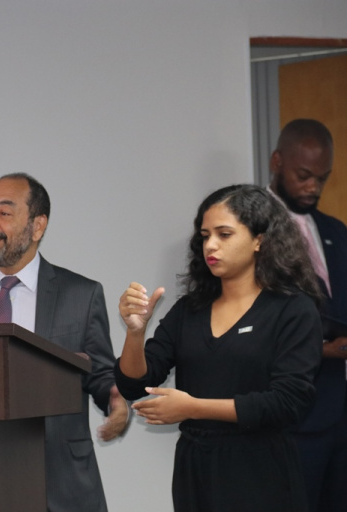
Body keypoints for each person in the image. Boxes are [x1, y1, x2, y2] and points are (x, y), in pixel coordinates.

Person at [115, 184, 323, 512]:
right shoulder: (189, 310)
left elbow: (287, 402)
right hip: (194, 468)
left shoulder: (293, 309)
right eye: (205, 236)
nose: (210, 245)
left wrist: (194, 408)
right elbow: (134, 384)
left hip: (260, 470)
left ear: (259, 239)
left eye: (224, 234)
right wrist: (135, 333)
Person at [0, 173, 127, 512]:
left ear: (38, 226)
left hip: (58, 479)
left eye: (4, 213)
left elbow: (99, 374)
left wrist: (115, 398)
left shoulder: (80, 294)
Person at [268, 118, 347, 512]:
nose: (313, 187)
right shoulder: (250, 232)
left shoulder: (336, 230)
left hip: (338, 414)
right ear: (277, 162)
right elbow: (249, 325)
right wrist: (321, 349)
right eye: (303, 176)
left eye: (322, 178)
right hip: (289, 419)